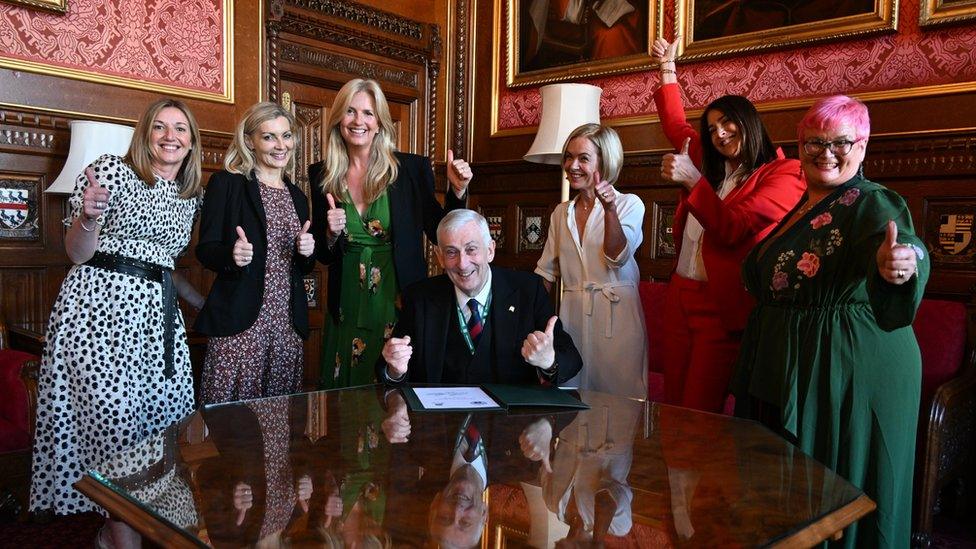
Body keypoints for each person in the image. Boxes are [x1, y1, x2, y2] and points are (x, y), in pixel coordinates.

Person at [731, 95, 929, 546]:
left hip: (848, 367)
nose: (826, 152)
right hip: (798, 359)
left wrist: (902, 263)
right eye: (815, 141)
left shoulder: (873, 201)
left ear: (862, 146)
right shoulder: (803, 206)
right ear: (800, 146)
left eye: (841, 142)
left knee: (842, 484)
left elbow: (906, 246)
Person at [30, 98, 205, 549]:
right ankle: (116, 533)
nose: (170, 136)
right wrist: (87, 217)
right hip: (99, 321)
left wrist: (209, 306)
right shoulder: (111, 171)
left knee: (159, 432)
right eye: (160, 127)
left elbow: (164, 266)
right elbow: (77, 252)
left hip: (157, 329)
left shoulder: (189, 196)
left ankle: (131, 529)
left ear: (192, 141)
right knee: (113, 431)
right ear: (145, 134)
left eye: (181, 129)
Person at [652, 37, 805, 412]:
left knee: (700, 410)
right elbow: (675, 124)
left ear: (748, 122)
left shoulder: (786, 173)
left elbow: (735, 227)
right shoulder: (710, 163)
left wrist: (691, 181)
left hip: (721, 307)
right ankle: (673, 472)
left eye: (727, 123)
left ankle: (697, 473)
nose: (719, 134)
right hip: (679, 296)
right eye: (713, 128)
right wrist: (667, 69)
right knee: (672, 403)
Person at [310, 78, 473, 389]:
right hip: (346, 300)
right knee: (345, 388)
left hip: (396, 295)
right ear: (338, 119)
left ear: (380, 121)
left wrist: (457, 189)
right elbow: (323, 253)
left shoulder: (410, 169)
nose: (359, 121)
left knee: (392, 384)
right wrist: (330, 234)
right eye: (351, 112)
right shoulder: (322, 173)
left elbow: (440, 230)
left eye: (368, 113)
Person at [195, 102, 315, 404]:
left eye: (286, 136)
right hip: (240, 322)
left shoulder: (298, 197)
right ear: (250, 141)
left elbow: (302, 266)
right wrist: (232, 256)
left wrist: (307, 252)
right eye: (269, 137)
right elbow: (205, 250)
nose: (280, 145)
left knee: (277, 425)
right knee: (230, 423)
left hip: (287, 326)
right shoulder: (228, 184)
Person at [379, 209, 583, 385]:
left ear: (490, 250)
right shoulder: (419, 297)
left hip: (510, 424)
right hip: (440, 422)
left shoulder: (528, 290)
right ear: (440, 257)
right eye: (451, 252)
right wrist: (395, 370)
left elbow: (572, 360)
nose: (463, 263)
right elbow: (387, 369)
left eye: (471, 250)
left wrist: (549, 361)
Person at [535, 123, 647, 399]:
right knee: (572, 398)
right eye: (568, 157)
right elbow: (546, 273)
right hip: (572, 316)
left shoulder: (630, 204)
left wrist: (609, 210)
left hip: (617, 317)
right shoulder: (561, 213)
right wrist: (529, 321)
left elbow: (617, 257)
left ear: (605, 162)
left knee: (620, 400)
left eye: (583, 158)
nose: (572, 165)